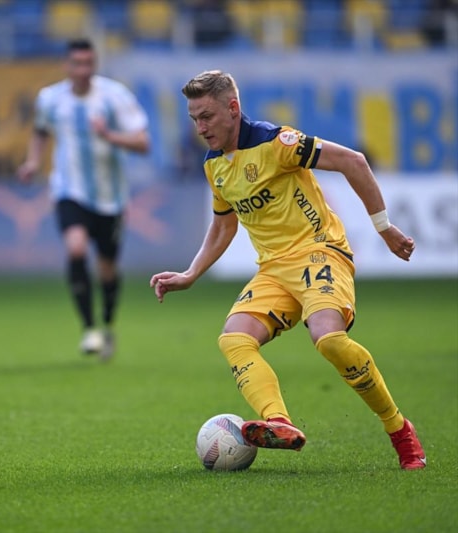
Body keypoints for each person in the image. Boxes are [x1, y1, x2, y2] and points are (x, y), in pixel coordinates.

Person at [149, 70, 426, 470]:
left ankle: (399, 429)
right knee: (234, 338)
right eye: (194, 119)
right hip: (273, 270)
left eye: (206, 116)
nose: (200, 128)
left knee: (329, 340)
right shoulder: (214, 166)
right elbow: (224, 225)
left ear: (233, 108)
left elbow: (353, 161)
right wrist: (191, 274)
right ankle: (278, 421)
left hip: (320, 251)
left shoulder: (277, 143)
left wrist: (384, 229)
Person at [18, 38, 150, 360]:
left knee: (107, 269)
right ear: (67, 65)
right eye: (77, 63)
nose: (83, 70)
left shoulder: (115, 96)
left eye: (88, 63)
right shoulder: (50, 98)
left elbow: (143, 143)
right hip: (69, 189)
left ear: (95, 65)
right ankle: (89, 328)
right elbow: (40, 131)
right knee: (76, 248)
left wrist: (109, 135)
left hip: (111, 197)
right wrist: (33, 161)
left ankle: (107, 323)